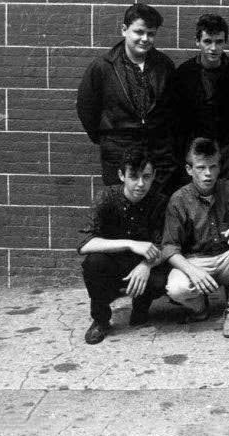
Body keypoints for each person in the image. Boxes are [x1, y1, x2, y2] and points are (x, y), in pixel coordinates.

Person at [76, 2, 206, 192]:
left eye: (151, 34)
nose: (145, 39)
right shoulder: (103, 67)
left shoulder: (164, 65)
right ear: (124, 30)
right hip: (119, 155)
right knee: (123, 213)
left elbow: (175, 112)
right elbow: (86, 109)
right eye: (139, 32)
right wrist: (108, 139)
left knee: (157, 213)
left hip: (158, 157)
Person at [161, 138, 229, 338]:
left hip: (228, 258)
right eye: (200, 168)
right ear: (189, 169)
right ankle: (200, 308)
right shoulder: (178, 200)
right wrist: (193, 271)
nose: (208, 174)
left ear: (219, 167)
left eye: (213, 167)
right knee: (176, 288)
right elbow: (169, 248)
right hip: (196, 261)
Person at [78, 147, 171, 345]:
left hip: (146, 266)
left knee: (164, 276)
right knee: (93, 262)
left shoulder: (160, 202)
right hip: (114, 265)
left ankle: (142, 305)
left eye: (146, 177)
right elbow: (85, 244)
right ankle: (101, 319)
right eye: (133, 176)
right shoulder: (107, 197)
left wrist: (146, 266)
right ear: (121, 175)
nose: (140, 184)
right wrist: (130, 244)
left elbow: (167, 246)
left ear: (154, 175)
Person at [176, 14, 229, 183]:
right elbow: (178, 121)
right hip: (196, 145)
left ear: (225, 42)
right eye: (208, 41)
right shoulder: (183, 74)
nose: (213, 48)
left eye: (219, 42)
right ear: (197, 42)